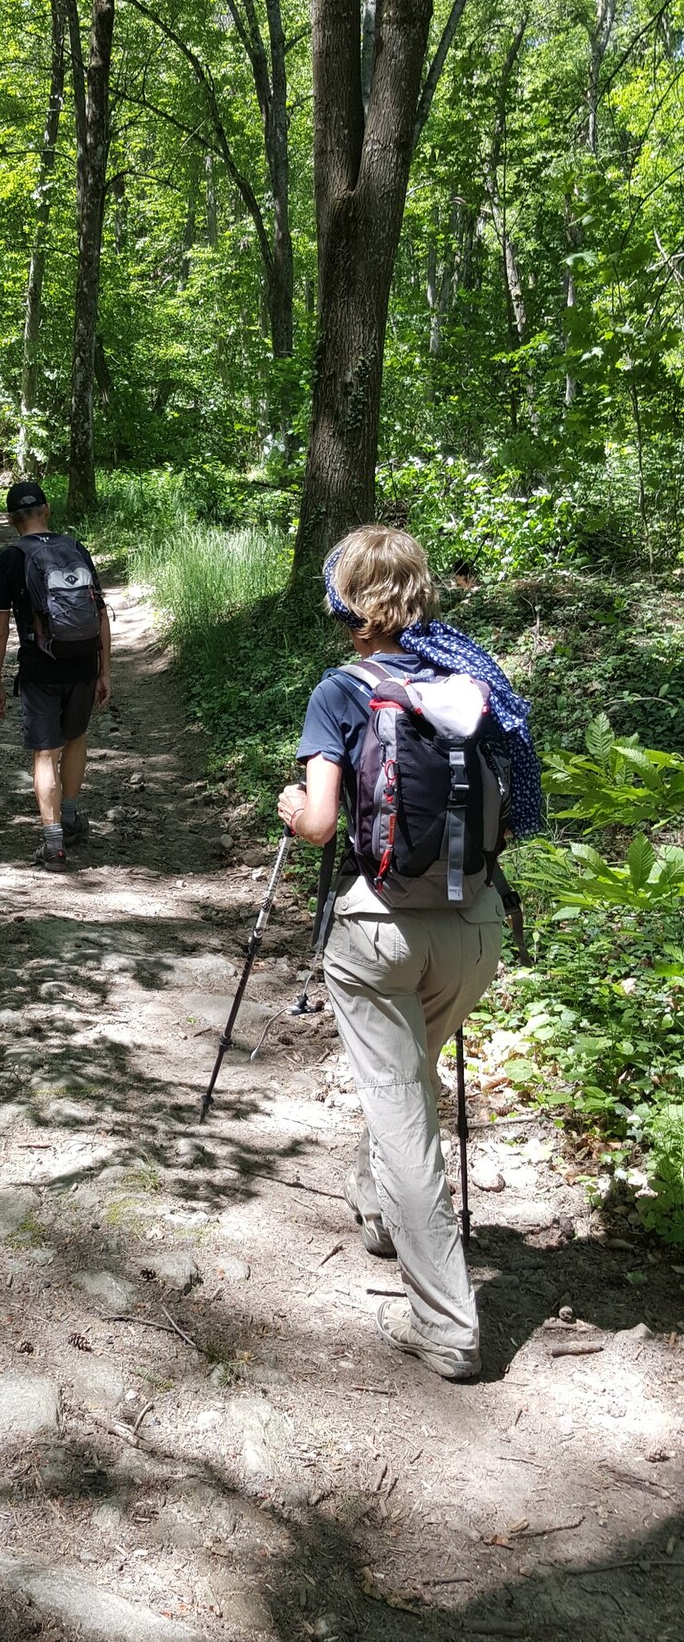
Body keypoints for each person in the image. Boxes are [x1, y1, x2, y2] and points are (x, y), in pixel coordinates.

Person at [277, 526, 541, 1382]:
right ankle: (383, 1210)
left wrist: (291, 808)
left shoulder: (342, 689)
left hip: (378, 931)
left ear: (345, 603)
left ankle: (450, 1326)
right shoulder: (472, 681)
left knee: (405, 1116)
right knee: (405, 1085)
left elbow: (320, 824)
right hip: (476, 929)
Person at [0, 479, 111, 870]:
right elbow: (100, 613)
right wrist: (104, 670)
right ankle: (71, 816)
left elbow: (0, 628)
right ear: (47, 510)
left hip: (40, 667)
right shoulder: (75, 548)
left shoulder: (10, 558)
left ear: (11, 520)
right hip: (83, 662)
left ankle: (54, 844)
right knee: (76, 738)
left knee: (45, 752)